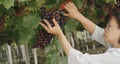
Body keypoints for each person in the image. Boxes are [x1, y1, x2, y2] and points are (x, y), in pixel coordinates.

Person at [40, 2, 120, 64]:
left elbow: (80, 61)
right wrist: (77, 15)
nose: (105, 29)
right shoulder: (115, 46)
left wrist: (60, 34)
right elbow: (96, 31)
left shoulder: (116, 57)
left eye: (109, 26)